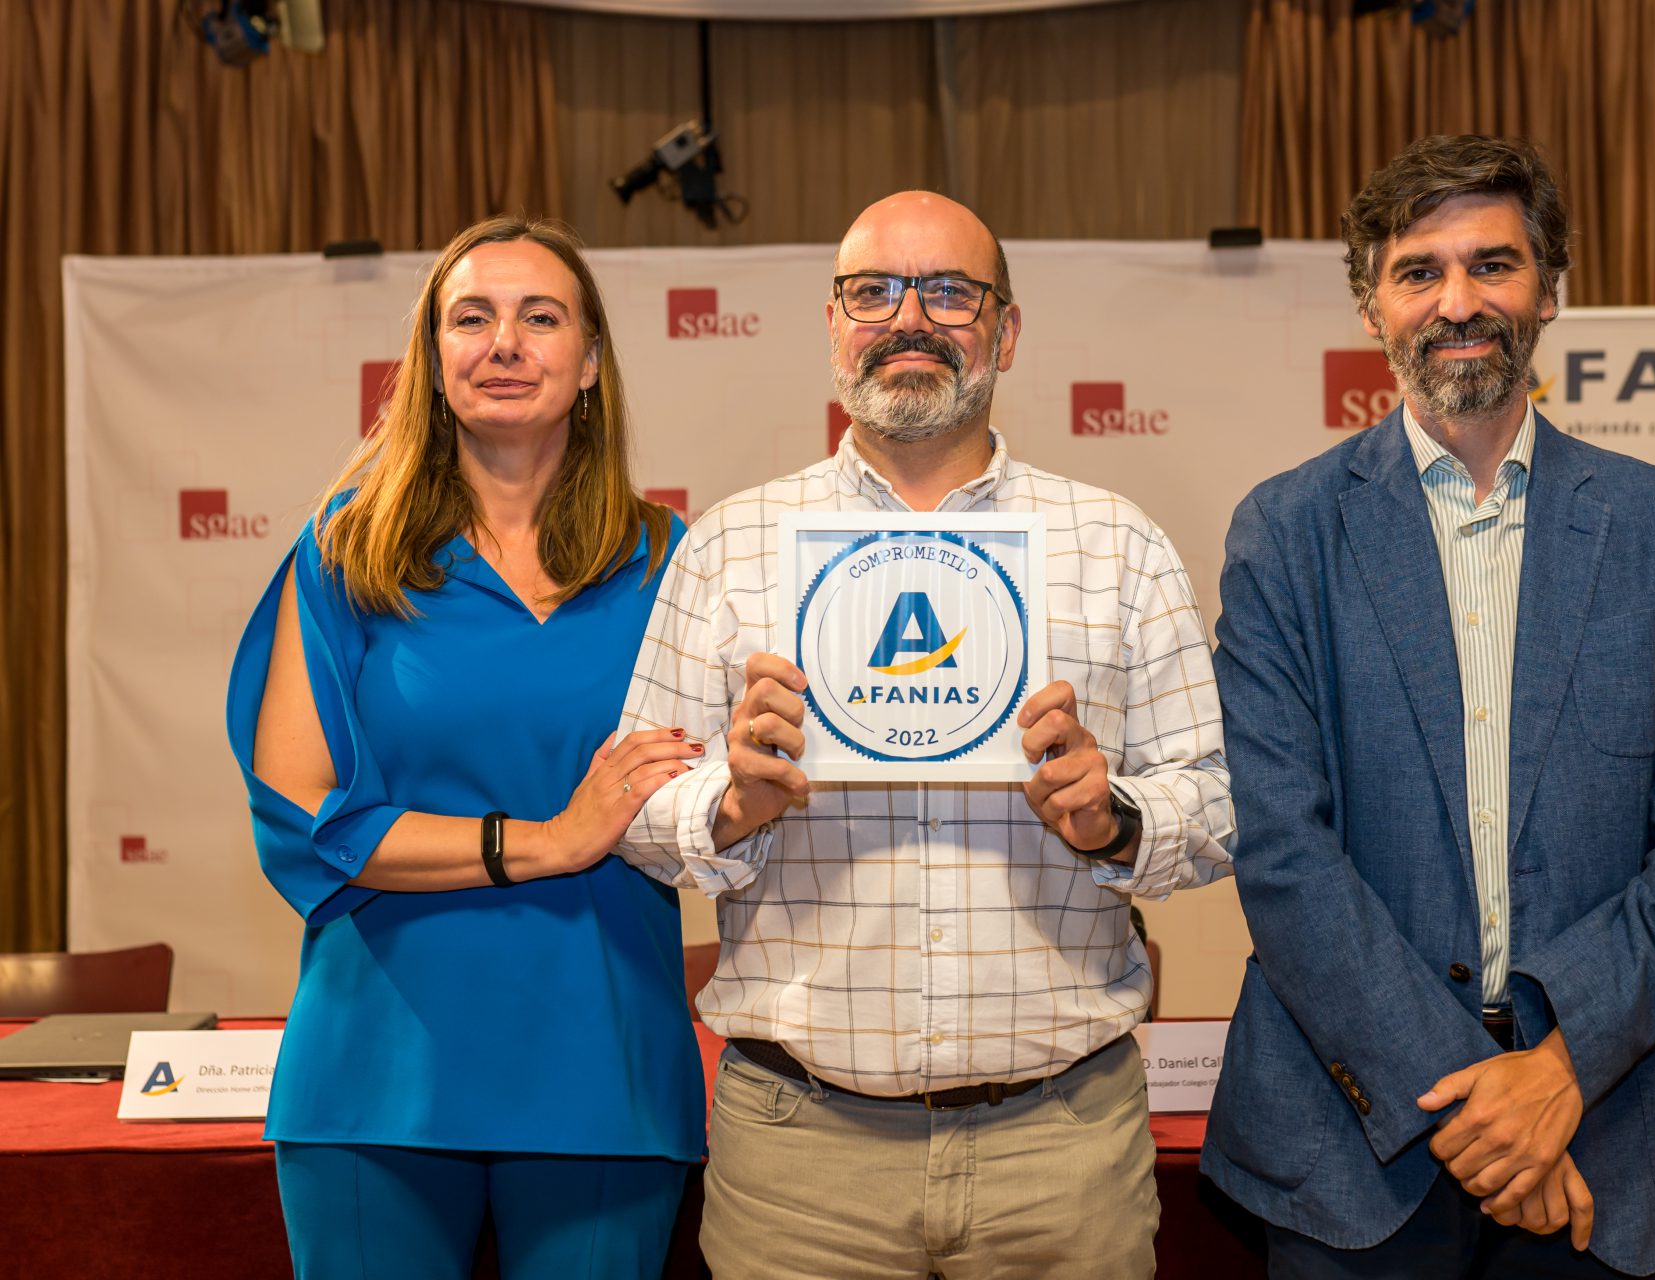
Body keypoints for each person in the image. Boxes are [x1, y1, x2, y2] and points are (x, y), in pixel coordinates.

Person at [615, 190, 1235, 1279]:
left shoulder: (1116, 543)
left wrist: (1113, 817)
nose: (910, 316)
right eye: (874, 291)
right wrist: (729, 800)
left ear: (1005, 330)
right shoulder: (730, 544)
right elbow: (641, 806)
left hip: (1063, 1145)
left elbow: (1218, 801)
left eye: (950, 291)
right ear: (834, 324)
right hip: (802, 1159)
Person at [1201, 135, 1655, 1279]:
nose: (1457, 302)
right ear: (1371, 304)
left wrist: (1557, 1071)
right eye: (1419, 271)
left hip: (1601, 1125)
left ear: (1551, 291)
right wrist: (1476, 1109)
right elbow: (1281, 850)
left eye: (1493, 265)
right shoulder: (1286, 534)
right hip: (1351, 1150)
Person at [227, 216, 705, 1279]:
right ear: (432, 362)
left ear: (589, 365)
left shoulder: (676, 559)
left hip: (606, 1072)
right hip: (372, 1075)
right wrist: (544, 840)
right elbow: (309, 815)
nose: (504, 343)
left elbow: (714, 806)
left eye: (542, 318)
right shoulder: (345, 551)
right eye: (471, 318)